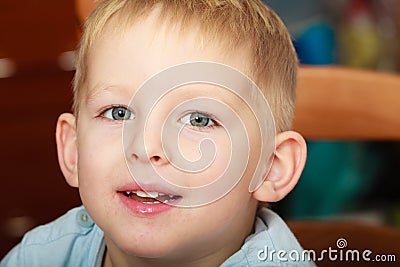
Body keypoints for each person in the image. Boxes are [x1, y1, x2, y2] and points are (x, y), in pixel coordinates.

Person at [1, 0, 314, 266]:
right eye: (118, 113)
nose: (145, 146)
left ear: (271, 168)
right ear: (73, 150)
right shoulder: (41, 255)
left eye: (198, 120)